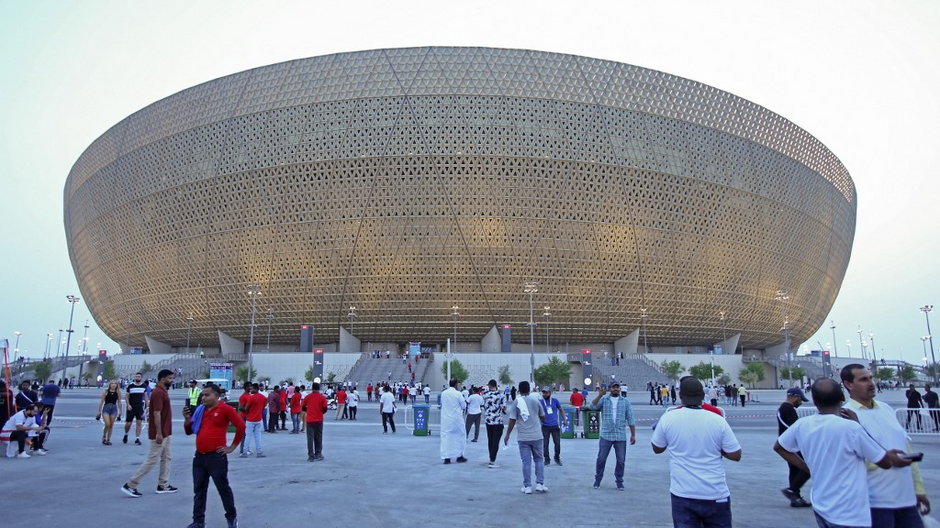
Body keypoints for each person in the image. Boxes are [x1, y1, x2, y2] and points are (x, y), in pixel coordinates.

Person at [776, 376, 911, 528]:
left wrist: (807, 467)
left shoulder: (802, 424)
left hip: (821, 507)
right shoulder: (851, 428)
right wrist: (859, 425)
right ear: (842, 397)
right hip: (849, 513)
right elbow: (885, 462)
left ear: (814, 400)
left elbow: (779, 447)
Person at [842, 364, 930, 526]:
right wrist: (887, 460)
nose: (871, 383)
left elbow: (906, 449)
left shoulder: (886, 409)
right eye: (863, 380)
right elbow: (848, 461)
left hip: (906, 501)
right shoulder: (845, 416)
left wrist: (918, 489)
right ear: (848, 384)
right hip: (875, 504)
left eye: (870, 378)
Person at [652, 376, 741, 527]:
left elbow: (657, 448)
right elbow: (735, 454)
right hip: (715, 493)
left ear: (680, 397)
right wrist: (716, 449)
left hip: (683, 493)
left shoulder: (668, 418)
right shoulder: (717, 420)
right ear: (702, 396)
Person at [183, 383, 245, 528]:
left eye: (207, 395)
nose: (203, 398)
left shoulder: (225, 409)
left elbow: (241, 426)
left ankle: (231, 517)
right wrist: (187, 420)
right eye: (202, 395)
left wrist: (232, 447)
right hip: (200, 457)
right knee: (199, 490)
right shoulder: (200, 410)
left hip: (216, 458)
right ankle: (198, 521)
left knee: (223, 489)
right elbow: (189, 431)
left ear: (216, 396)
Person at [122, 369, 178, 497]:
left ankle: (163, 484)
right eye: (169, 378)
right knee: (152, 459)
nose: (172, 380)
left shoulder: (163, 391)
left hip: (166, 432)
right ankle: (131, 484)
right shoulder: (158, 392)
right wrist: (158, 433)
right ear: (162, 379)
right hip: (160, 432)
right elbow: (156, 413)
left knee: (167, 457)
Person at [586, 382, 635, 490]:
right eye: (613, 387)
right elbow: (592, 406)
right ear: (610, 389)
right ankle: (597, 480)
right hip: (606, 434)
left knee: (621, 460)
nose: (616, 389)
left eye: (617, 387)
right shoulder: (604, 400)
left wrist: (633, 435)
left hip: (620, 435)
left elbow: (630, 418)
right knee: (601, 459)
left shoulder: (625, 402)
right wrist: (599, 395)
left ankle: (619, 481)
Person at [503, 381, 547, 494]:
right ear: (529, 389)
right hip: (537, 435)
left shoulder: (517, 402)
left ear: (519, 389)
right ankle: (540, 484)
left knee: (526, 462)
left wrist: (507, 434)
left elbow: (512, 419)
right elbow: (543, 416)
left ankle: (527, 486)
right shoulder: (536, 400)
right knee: (539, 459)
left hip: (523, 437)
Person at [777, 387, 811, 507]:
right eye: (801, 399)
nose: (801, 403)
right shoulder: (788, 409)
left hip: (787, 445)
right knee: (807, 468)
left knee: (795, 470)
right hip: (792, 446)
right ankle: (792, 491)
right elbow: (794, 428)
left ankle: (795, 497)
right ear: (795, 397)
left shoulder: (783, 408)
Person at [440, 378, 468, 463]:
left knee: (446, 437)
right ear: (456, 384)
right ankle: (459, 456)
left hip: (446, 419)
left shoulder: (444, 393)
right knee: (460, 436)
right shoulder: (458, 394)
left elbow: (442, 403)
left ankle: (446, 457)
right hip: (456, 419)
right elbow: (464, 406)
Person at [539, 387, 567, 466]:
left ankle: (557, 458)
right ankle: (547, 459)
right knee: (545, 444)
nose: (544, 394)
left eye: (546, 393)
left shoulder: (555, 401)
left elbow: (561, 410)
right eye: (543, 393)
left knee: (557, 443)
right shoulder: (540, 402)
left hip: (554, 425)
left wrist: (564, 420)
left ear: (550, 393)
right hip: (545, 426)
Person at [482, 379, 507, 468]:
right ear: (496, 385)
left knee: (490, 440)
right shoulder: (501, 395)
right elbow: (504, 407)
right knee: (496, 441)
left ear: (489, 385)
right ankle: (492, 461)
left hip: (488, 420)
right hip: (498, 421)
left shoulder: (485, 395)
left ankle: (491, 458)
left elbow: (484, 406)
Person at [301, 382, 328, 461]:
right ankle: (318, 454)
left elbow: (303, 407)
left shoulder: (308, 397)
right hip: (319, 420)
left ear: (312, 388)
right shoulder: (322, 397)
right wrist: (320, 412)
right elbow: (325, 409)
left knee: (310, 438)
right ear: (319, 388)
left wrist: (309, 411)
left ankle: (311, 456)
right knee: (318, 437)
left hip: (310, 420)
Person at [241, 383, 266, 458]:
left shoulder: (251, 398)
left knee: (248, 436)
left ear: (256, 389)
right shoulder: (263, 397)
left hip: (250, 419)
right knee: (258, 436)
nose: (250, 390)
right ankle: (259, 452)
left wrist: (241, 409)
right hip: (258, 419)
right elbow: (263, 406)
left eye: (252, 389)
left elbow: (246, 409)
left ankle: (245, 452)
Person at [124, 372, 149, 445]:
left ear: (141, 378)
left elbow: (145, 396)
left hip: (139, 407)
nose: (137, 378)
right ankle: (126, 434)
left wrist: (147, 406)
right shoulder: (130, 386)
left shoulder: (144, 386)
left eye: (139, 377)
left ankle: (137, 438)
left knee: (139, 423)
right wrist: (128, 405)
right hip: (131, 407)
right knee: (128, 424)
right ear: (135, 377)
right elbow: (126, 396)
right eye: (136, 376)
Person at [96, 381, 123, 445]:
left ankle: (108, 439)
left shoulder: (118, 392)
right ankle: (104, 436)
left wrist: (120, 411)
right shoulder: (106, 392)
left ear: (117, 385)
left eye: (115, 384)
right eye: (112, 383)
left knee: (111, 425)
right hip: (106, 408)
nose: (113, 385)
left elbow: (119, 402)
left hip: (114, 408)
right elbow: (101, 401)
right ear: (110, 385)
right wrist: (99, 411)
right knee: (107, 424)